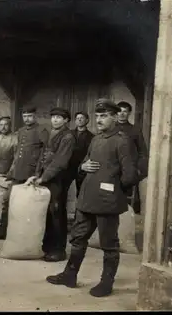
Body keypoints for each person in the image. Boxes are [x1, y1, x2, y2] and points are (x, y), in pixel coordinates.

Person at [46, 99, 139, 298]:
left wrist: (113, 190)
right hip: (87, 200)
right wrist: (82, 167)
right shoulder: (96, 140)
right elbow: (83, 164)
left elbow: (130, 175)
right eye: (97, 116)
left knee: (109, 244)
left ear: (115, 117)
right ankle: (70, 276)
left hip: (107, 203)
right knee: (78, 239)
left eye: (104, 116)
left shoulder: (122, 141)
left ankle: (106, 283)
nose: (99, 119)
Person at [0, 105, 49, 240]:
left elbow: (44, 154)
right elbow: (17, 155)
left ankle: (26, 235)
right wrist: (12, 171)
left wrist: (38, 173)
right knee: (8, 201)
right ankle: (3, 230)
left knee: (28, 205)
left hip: (31, 174)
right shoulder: (20, 131)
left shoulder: (41, 131)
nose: (27, 119)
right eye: (24, 116)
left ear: (35, 116)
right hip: (17, 173)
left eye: (30, 116)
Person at [26, 107, 76, 262]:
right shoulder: (50, 133)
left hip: (57, 180)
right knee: (47, 212)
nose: (55, 120)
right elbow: (42, 156)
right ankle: (47, 247)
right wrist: (36, 174)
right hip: (46, 178)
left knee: (57, 212)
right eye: (53, 117)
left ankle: (58, 250)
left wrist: (44, 177)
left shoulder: (68, 137)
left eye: (59, 117)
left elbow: (60, 162)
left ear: (66, 120)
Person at [116, 101, 148, 214]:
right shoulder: (110, 128)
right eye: (119, 111)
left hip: (128, 168)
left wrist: (140, 169)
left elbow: (142, 151)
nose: (122, 114)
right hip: (112, 166)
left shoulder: (135, 130)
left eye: (125, 111)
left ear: (129, 113)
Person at [68, 111, 95, 197]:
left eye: (81, 118)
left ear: (87, 120)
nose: (79, 120)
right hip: (68, 167)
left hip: (82, 169)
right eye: (77, 118)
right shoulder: (69, 134)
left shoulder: (92, 137)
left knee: (81, 193)